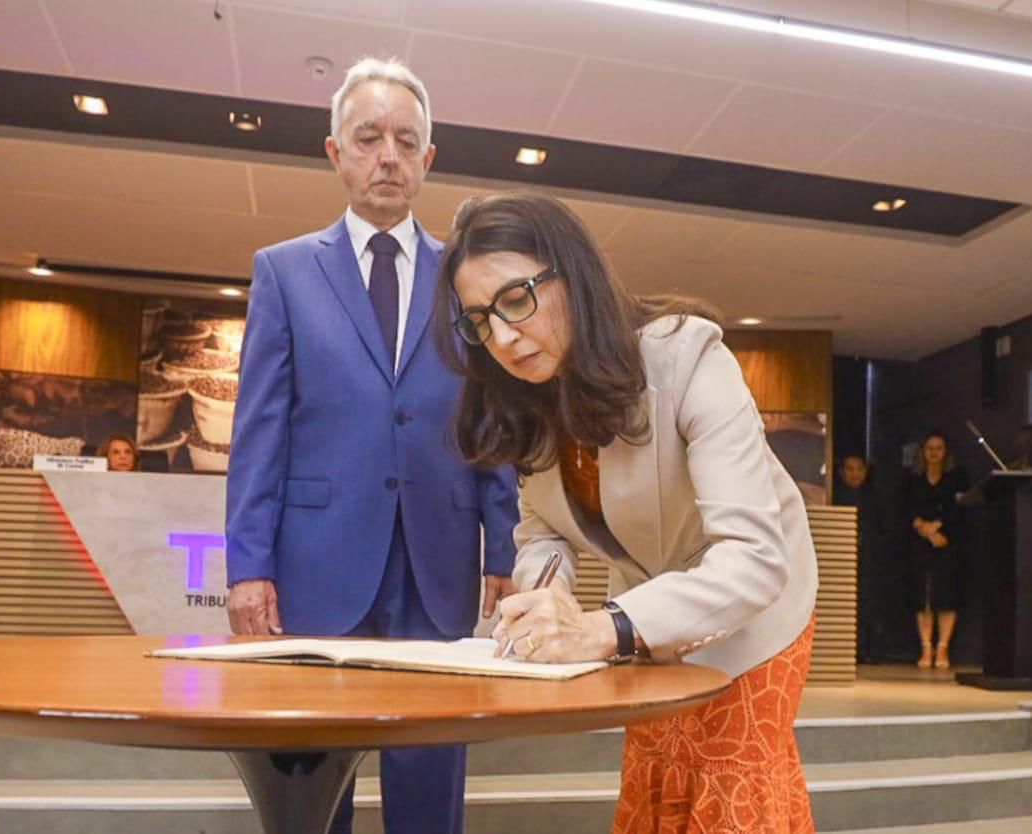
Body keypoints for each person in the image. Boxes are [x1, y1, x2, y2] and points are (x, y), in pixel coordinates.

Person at [433, 193, 819, 834]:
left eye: (515, 300)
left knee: (726, 785)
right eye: (479, 320)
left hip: (754, 608)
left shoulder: (689, 358)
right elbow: (543, 532)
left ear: (573, 274)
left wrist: (605, 627)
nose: (500, 337)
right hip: (645, 614)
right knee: (657, 770)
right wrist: (549, 596)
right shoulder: (533, 399)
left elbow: (754, 559)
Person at [224, 58, 519, 834]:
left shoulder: (467, 277)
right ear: (335, 152)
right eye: (369, 138)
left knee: (431, 768)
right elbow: (260, 431)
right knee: (316, 771)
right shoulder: (285, 273)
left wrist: (504, 546)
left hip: (437, 559)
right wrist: (249, 567)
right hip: (316, 560)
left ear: (428, 159)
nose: (388, 156)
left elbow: (490, 417)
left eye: (406, 141)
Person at [902, 431, 969, 670]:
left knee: (946, 596)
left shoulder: (957, 477)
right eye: (929, 448)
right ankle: (926, 647)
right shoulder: (912, 478)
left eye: (938, 448)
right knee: (923, 597)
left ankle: (942, 647)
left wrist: (938, 526)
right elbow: (904, 507)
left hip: (947, 541)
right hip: (919, 541)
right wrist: (924, 528)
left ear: (946, 451)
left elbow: (960, 508)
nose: (933, 453)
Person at [835, 454, 883, 663]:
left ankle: (868, 649)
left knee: (869, 603)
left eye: (859, 469)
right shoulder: (834, 497)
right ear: (841, 472)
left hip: (869, 559)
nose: (855, 474)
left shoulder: (876, 498)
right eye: (850, 469)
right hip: (840, 558)